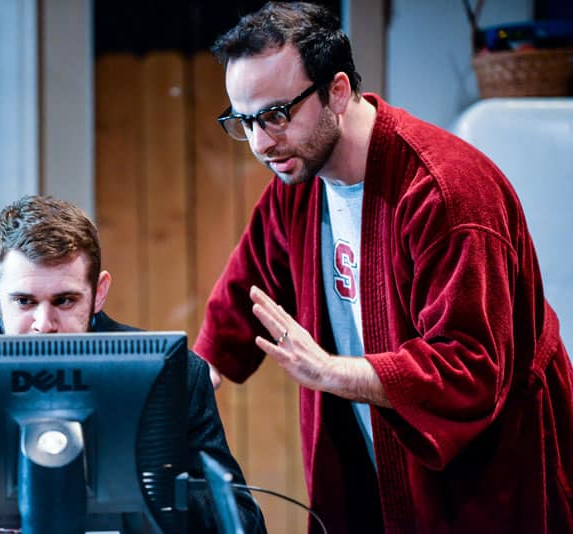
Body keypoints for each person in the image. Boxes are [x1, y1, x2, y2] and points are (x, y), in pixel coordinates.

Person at [195, 2, 573, 533]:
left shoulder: (446, 195)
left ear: (337, 92)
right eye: (245, 121)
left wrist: (330, 371)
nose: (260, 143)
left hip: (487, 490)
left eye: (276, 115)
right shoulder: (297, 182)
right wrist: (183, 390)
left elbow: (469, 368)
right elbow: (240, 300)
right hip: (376, 482)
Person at [0, 195, 266, 533]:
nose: (44, 324)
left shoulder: (177, 376)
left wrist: (153, 490)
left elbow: (244, 522)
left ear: (99, 292)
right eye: (24, 301)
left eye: (64, 301)